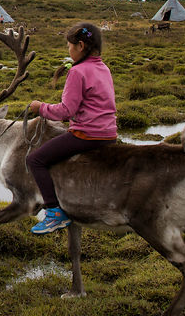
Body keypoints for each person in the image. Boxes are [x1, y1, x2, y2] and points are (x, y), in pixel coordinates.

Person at [26, 22, 117, 234]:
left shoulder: (77, 72)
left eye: (69, 46)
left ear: (81, 46)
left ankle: (54, 212)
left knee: (35, 160)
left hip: (86, 136)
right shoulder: (103, 68)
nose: (68, 50)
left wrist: (41, 108)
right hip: (108, 135)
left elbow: (66, 110)